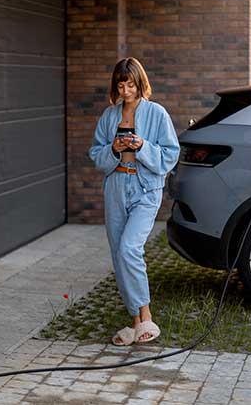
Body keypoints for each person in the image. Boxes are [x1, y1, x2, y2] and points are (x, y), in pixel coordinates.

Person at [89, 57, 180, 345]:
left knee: (130, 247)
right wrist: (114, 149)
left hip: (145, 189)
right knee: (119, 253)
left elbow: (170, 154)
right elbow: (95, 154)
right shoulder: (109, 116)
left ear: (140, 83)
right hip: (116, 186)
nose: (126, 90)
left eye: (130, 83)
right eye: (121, 84)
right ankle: (136, 323)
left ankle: (147, 315)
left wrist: (142, 146)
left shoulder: (157, 113)